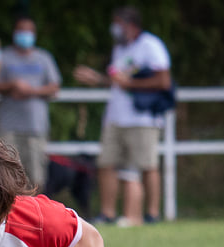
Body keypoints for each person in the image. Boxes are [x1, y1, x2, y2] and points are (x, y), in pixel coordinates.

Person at [73, 6, 171, 226]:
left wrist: (131, 84)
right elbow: (117, 82)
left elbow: (163, 81)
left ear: (131, 25)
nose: (115, 29)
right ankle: (107, 214)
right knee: (107, 163)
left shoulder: (150, 45)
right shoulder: (120, 49)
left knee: (146, 165)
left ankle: (151, 214)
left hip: (142, 118)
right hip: (115, 117)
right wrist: (97, 79)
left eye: (118, 23)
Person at [0, 15, 61, 191]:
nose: (25, 34)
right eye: (21, 30)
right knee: (6, 172)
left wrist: (31, 91)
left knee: (36, 174)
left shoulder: (43, 58)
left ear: (34, 33)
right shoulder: (3, 57)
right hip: (8, 126)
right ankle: (10, 211)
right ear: (14, 33)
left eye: (29, 31)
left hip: (36, 126)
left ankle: (35, 212)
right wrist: (11, 86)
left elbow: (54, 87)